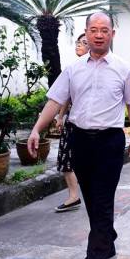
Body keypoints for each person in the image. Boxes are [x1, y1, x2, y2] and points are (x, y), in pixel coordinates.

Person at [27, 12, 130, 259]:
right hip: (80, 140)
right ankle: (108, 238)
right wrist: (35, 129)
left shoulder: (123, 68)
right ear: (86, 33)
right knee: (91, 199)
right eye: (94, 30)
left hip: (109, 142)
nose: (99, 34)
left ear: (112, 34)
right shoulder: (73, 69)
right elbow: (55, 101)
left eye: (105, 30)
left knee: (103, 200)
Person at [53, 33, 89, 212]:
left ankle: (83, 195)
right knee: (65, 158)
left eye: (84, 43)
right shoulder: (72, 68)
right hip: (72, 121)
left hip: (88, 124)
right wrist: (60, 116)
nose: (78, 45)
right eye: (78, 42)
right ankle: (74, 196)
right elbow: (64, 96)